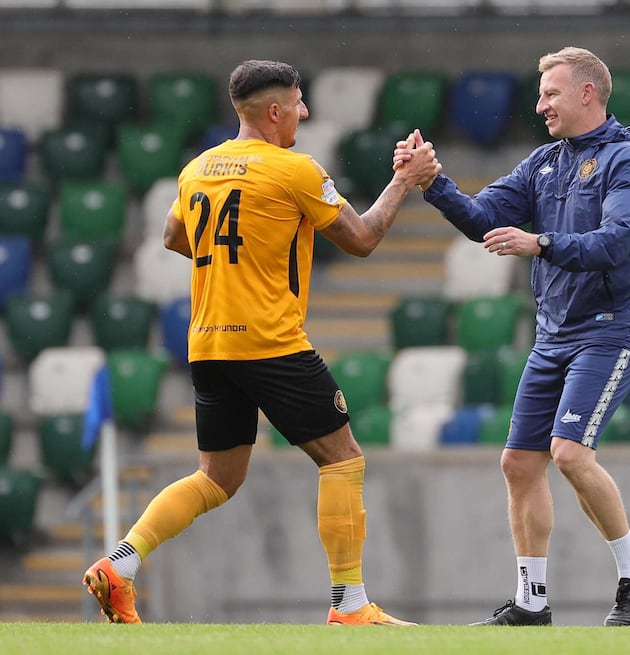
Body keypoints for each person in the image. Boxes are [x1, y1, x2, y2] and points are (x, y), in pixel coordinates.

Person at [82, 59, 440, 626]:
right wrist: (404, 179)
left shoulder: (198, 168)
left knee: (216, 477)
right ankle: (350, 604)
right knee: (342, 458)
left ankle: (120, 565)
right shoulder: (293, 169)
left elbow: (175, 235)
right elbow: (363, 239)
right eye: (298, 103)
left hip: (207, 344)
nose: (304, 112)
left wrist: (240, 254)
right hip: (271, 341)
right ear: (275, 111)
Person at [394, 46, 630, 627]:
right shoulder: (545, 162)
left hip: (610, 331)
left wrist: (538, 243)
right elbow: (483, 218)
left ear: (587, 93)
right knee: (518, 464)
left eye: (551, 94)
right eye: (541, 94)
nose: (540, 105)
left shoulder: (627, 161)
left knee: (568, 453)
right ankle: (532, 602)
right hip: (554, 334)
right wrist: (432, 182)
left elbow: (616, 242)